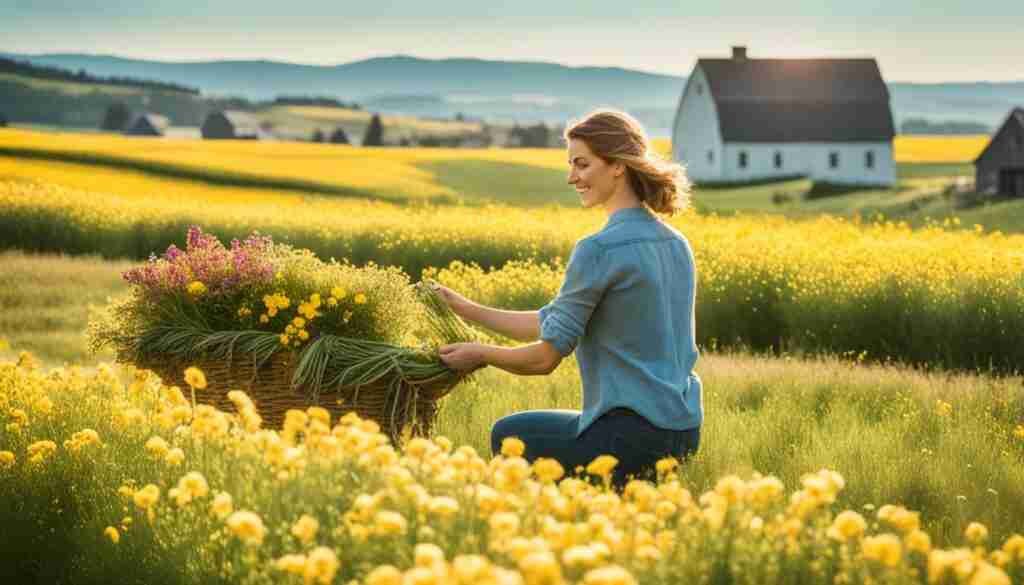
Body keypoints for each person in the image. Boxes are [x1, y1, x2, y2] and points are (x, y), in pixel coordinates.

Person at [434, 108, 702, 491]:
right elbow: (558, 320)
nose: (571, 176)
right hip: (682, 429)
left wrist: (480, 354)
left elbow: (545, 358)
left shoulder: (598, 249)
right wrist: (466, 309)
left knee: (508, 435)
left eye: (582, 164)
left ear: (617, 167)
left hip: (630, 436)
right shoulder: (676, 243)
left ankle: (544, 534)